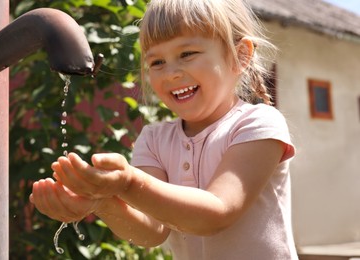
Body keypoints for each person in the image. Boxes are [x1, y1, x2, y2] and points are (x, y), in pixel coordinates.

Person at [30, 0, 298, 259]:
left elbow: (218, 212)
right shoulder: (154, 139)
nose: (171, 73)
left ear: (240, 55)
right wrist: (101, 202)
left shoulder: (257, 124)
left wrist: (128, 183)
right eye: (156, 62)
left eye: (187, 54)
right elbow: (151, 231)